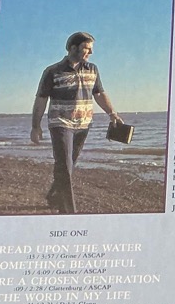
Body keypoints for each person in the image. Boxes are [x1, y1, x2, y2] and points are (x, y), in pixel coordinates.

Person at [30, 31, 124, 213]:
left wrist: (112, 114)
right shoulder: (52, 71)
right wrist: (35, 126)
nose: (91, 52)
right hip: (60, 123)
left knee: (68, 165)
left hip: (84, 124)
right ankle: (68, 212)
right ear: (73, 48)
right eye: (86, 48)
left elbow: (99, 93)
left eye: (91, 48)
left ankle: (53, 195)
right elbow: (41, 99)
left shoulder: (92, 69)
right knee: (64, 166)